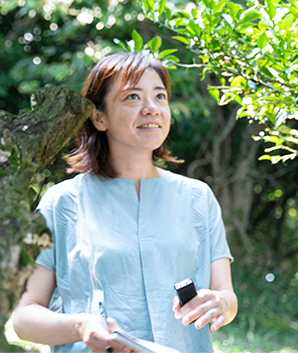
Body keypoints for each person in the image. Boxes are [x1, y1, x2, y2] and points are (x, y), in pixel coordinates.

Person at [13, 52, 238, 353]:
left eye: (160, 96)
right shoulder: (61, 203)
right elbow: (24, 317)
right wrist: (81, 327)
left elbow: (227, 296)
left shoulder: (198, 197)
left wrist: (221, 303)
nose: (152, 109)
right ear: (99, 117)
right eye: (133, 97)